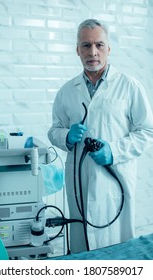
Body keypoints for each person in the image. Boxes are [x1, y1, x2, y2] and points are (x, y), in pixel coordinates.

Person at [48, 19, 153, 253]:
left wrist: (114, 151)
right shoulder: (66, 91)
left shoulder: (129, 86)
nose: (92, 52)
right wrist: (66, 135)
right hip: (79, 183)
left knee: (117, 252)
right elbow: (53, 130)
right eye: (86, 45)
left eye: (99, 45)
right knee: (82, 250)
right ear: (77, 50)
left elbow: (148, 131)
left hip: (114, 183)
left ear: (108, 49)